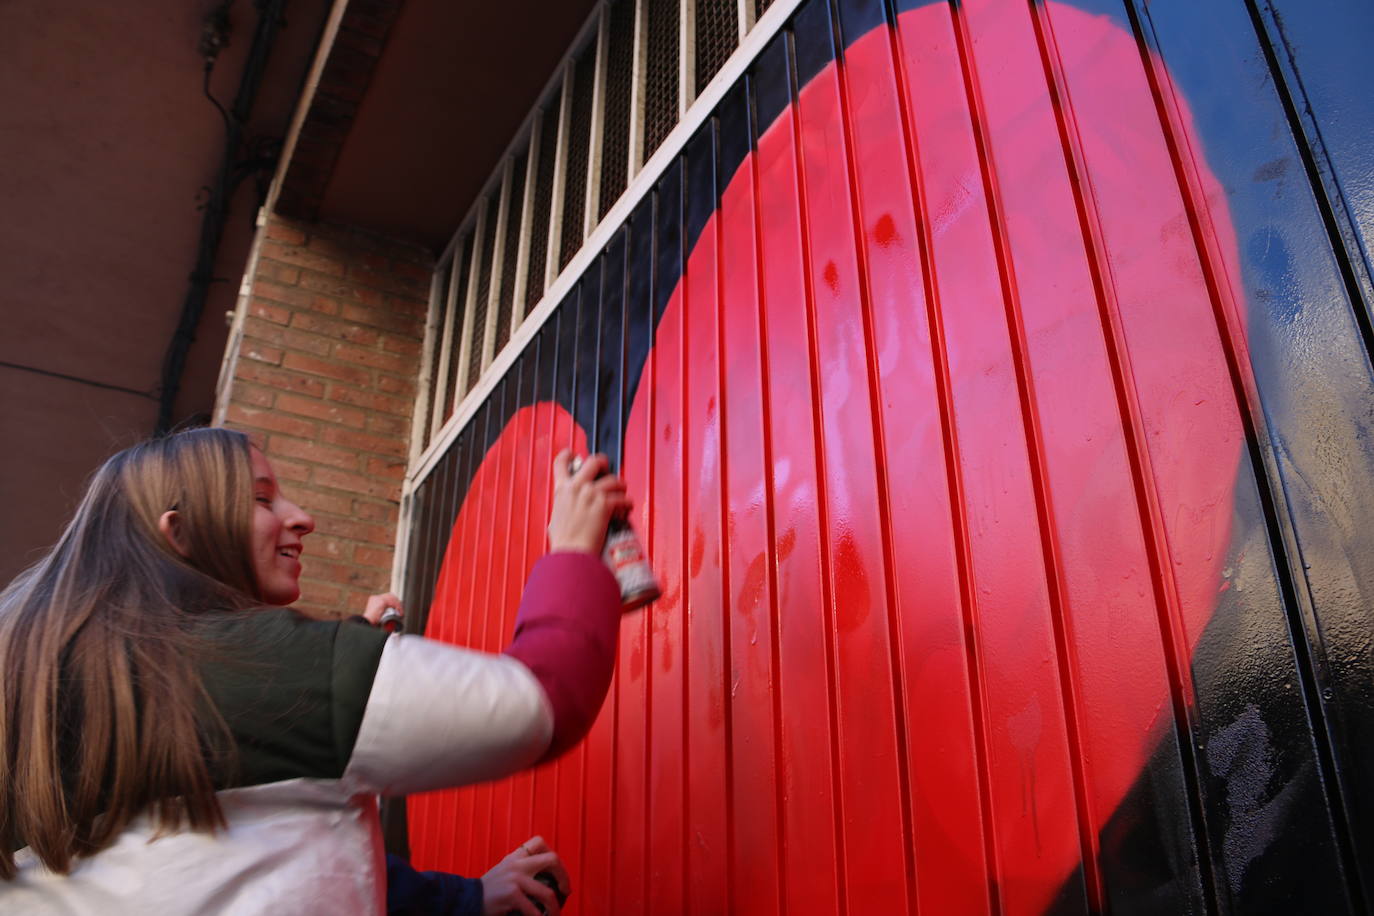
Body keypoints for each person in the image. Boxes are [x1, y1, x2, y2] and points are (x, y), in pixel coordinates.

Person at [0, 427, 629, 915]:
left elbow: (263, 838)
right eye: (262, 498)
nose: (302, 517)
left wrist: (470, 900)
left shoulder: (58, 698)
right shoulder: (249, 666)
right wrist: (575, 553)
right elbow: (540, 702)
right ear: (181, 533)